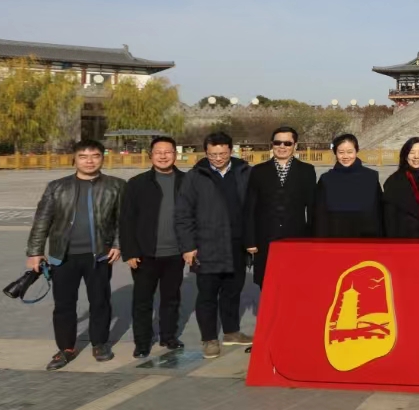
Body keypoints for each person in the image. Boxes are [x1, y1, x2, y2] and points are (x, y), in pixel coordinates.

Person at [26, 139, 125, 370]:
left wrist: (118, 244)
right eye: (83, 156)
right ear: (75, 159)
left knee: (100, 302)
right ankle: (66, 348)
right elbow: (42, 221)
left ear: (102, 158)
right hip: (63, 256)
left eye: (95, 156)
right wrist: (35, 252)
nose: (89, 161)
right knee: (64, 304)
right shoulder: (57, 187)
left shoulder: (116, 186)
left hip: (98, 256)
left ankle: (99, 343)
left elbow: (123, 219)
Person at [175, 132, 252, 359]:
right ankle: (209, 338)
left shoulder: (244, 172)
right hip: (206, 244)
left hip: (237, 244)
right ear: (206, 152)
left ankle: (231, 331)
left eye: (222, 154)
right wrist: (188, 246)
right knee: (207, 294)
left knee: (233, 291)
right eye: (212, 154)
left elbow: (253, 207)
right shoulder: (195, 176)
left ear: (231, 150)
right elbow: (183, 214)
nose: (218, 158)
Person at [119, 135, 186, 358]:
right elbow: (126, 220)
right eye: (158, 152)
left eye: (168, 152)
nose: (163, 156)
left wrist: (191, 247)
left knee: (171, 298)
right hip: (144, 254)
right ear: (151, 155)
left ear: (175, 154)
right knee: (142, 301)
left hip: (176, 253)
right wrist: (129, 251)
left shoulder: (187, 181)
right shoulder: (137, 184)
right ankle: (142, 342)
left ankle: (169, 336)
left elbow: (194, 216)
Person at [244, 125, 317, 288]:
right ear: (272, 144)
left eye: (287, 143)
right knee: (267, 284)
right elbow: (250, 208)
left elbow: (312, 208)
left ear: (295, 145)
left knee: (295, 283)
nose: (282, 147)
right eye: (277, 143)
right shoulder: (258, 171)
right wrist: (250, 240)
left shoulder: (306, 171)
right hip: (265, 238)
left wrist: (312, 238)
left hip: (296, 238)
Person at [314, 134, 383, 238]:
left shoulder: (371, 177)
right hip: (335, 236)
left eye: (350, 152)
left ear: (356, 151)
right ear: (335, 153)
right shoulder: (326, 179)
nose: (345, 156)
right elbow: (319, 216)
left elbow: (379, 211)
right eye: (341, 152)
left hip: (367, 237)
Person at [382, 137, 419, 239]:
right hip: (403, 241)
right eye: (412, 152)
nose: (416, 156)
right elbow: (389, 221)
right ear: (405, 155)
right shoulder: (393, 182)